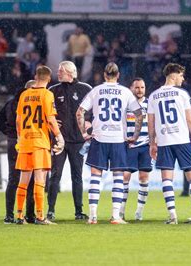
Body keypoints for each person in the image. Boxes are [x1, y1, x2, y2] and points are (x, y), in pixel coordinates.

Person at [76, 62, 143, 225]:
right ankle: (115, 216)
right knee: (118, 177)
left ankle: (92, 216)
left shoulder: (96, 90)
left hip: (99, 138)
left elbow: (80, 112)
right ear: (118, 75)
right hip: (118, 139)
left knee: (95, 177)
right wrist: (134, 135)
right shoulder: (125, 92)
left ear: (104, 75)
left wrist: (84, 133)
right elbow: (139, 114)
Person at [146, 63, 191, 225]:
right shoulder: (182, 94)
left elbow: (150, 122)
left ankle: (172, 215)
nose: (183, 78)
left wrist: (152, 143)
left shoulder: (153, 96)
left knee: (167, 179)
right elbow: (189, 119)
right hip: (181, 140)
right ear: (173, 76)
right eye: (181, 75)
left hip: (164, 141)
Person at [15, 66, 65, 225]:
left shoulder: (24, 95)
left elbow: (18, 121)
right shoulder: (47, 94)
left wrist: (20, 137)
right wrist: (59, 136)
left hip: (25, 141)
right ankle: (40, 216)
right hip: (40, 141)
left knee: (23, 181)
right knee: (40, 180)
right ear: (49, 79)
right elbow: (50, 119)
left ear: (36, 76)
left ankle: (19, 216)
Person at [47, 61, 92, 221]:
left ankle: (78, 211)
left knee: (77, 176)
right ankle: (50, 211)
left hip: (78, 141)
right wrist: (49, 121)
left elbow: (95, 110)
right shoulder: (52, 90)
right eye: (58, 71)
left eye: (61, 71)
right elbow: (46, 112)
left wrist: (90, 122)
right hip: (59, 141)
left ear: (71, 73)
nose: (58, 74)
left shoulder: (85, 89)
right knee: (55, 175)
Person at [0, 80, 36, 224]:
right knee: (31, 179)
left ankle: (9, 215)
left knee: (14, 178)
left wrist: (9, 133)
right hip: (28, 141)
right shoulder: (30, 103)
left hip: (13, 142)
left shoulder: (11, 103)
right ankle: (30, 216)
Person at [119, 77, 152, 221]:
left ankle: (139, 211)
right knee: (125, 177)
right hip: (129, 145)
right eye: (137, 87)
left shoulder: (150, 104)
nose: (140, 90)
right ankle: (121, 211)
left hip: (145, 145)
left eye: (142, 87)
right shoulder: (126, 104)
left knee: (144, 177)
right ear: (131, 88)